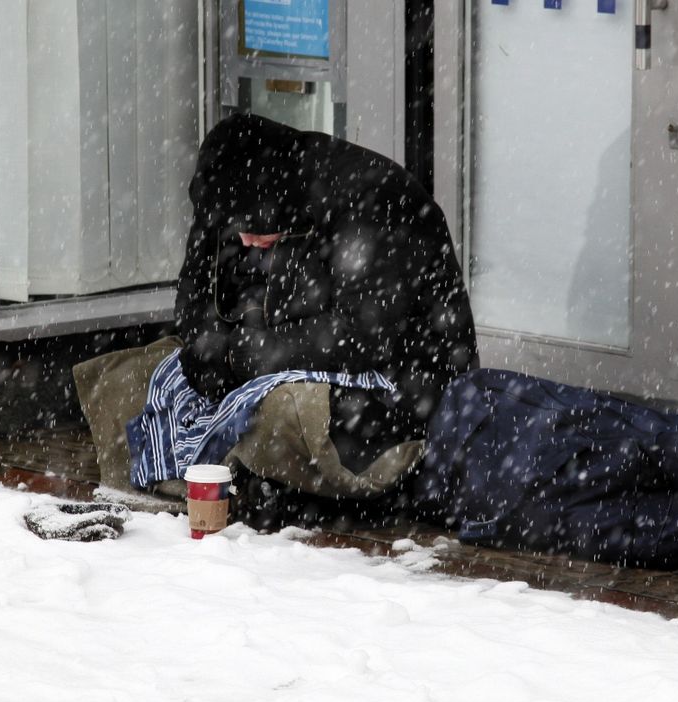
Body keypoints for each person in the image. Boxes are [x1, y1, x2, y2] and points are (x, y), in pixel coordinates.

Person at [176, 114, 477, 477]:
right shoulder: (226, 193)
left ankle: (270, 475)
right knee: (153, 374)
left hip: (399, 390)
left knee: (285, 415)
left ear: (274, 197)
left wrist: (240, 354)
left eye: (253, 225)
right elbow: (193, 292)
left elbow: (358, 338)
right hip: (285, 358)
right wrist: (206, 349)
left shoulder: (375, 198)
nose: (245, 240)